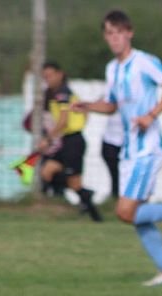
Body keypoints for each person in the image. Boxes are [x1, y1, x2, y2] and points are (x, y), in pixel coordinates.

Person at [74, 10, 162, 286]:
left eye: (119, 32)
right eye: (109, 33)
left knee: (125, 212)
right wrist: (88, 105)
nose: (114, 38)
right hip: (129, 151)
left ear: (129, 33)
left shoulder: (144, 62)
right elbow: (111, 105)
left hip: (147, 149)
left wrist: (151, 114)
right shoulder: (112, 69)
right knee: (137, 216)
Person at [38, 61, 101, 222]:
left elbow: (64, 121)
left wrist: (48, 139)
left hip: (73, 141)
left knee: (73, 182)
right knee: (47, 171)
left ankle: (95, 216)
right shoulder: (53, 93)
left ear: (60, 74)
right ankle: (85, 197)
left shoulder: (63, 93)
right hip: (66, 140)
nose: (48, 79)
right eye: (45, 76)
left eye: (50, 75)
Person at [100, 112, 123, 199]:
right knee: (115, 173)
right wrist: (88, 106)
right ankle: (115, 196)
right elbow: (107, 106)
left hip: (131, 142)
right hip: (110, 140)